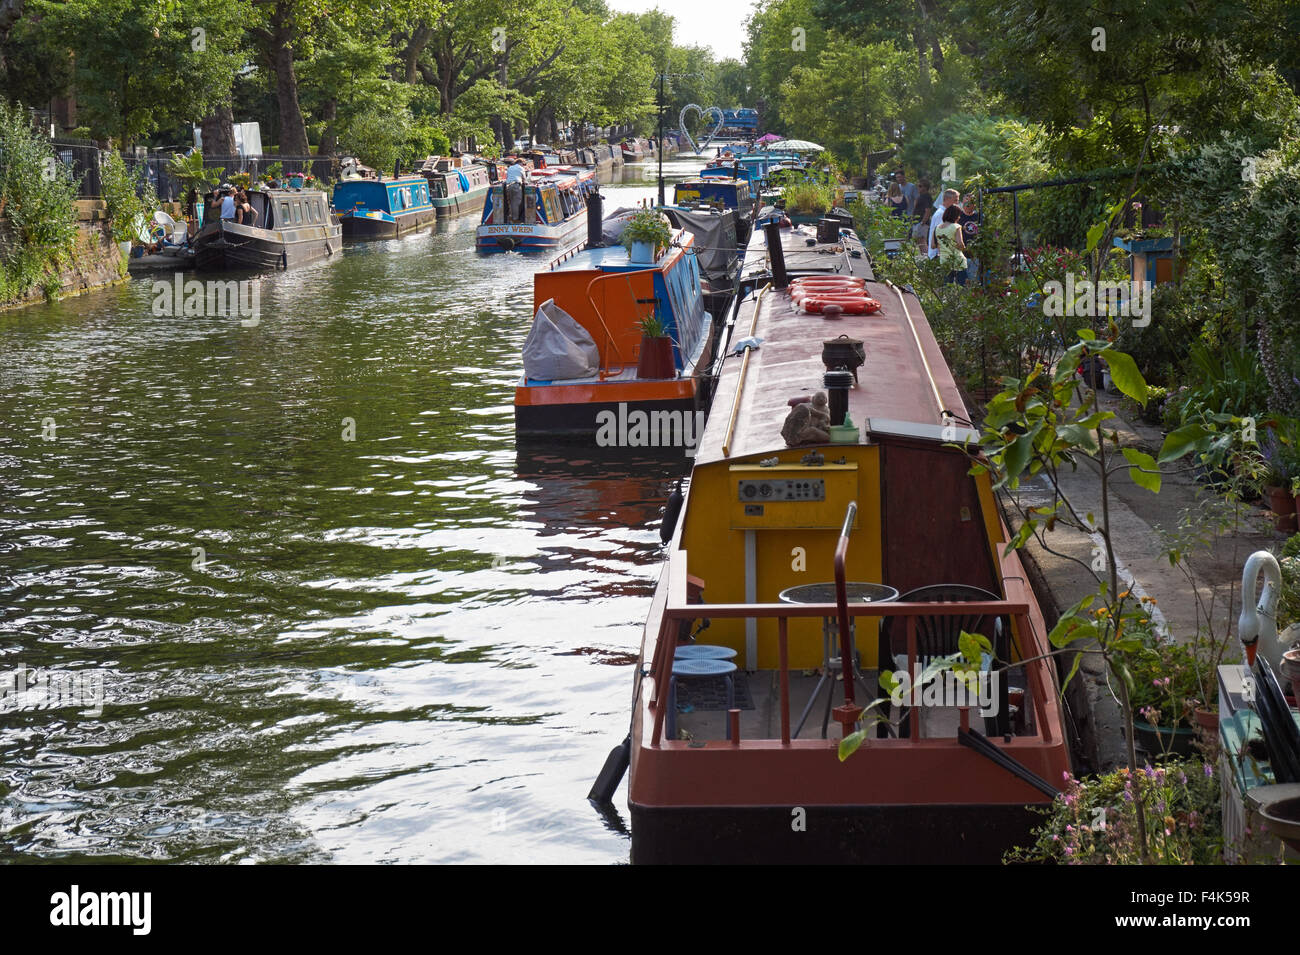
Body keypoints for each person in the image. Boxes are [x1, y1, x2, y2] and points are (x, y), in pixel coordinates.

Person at [934, 204, 968, 284]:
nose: (959, 217)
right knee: (962, 287)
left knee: (947, 288)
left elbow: (936, 245)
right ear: (956, 216)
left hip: (944, 260)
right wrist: (964, 248)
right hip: (958, 260)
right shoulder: (956, 226)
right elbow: (960, 244)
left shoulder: (937, 228)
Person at [927, 187, 960, 260]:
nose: (957, 203)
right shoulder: (941, 214)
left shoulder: (945, 213)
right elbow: (939, 237)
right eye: (955, 200)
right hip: (938, 256)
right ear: (947, 199)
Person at [958, 194, 981, 281]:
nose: (968, 204)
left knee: (973, 279)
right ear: (962, 202)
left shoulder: (979, 216)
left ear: (974, 204)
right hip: (961, 254)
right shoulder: (958, 216)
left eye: (970, 202)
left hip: (975, 255)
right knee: (961, 281)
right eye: (966, 201)